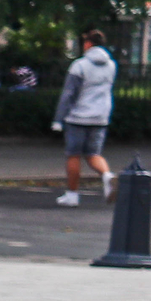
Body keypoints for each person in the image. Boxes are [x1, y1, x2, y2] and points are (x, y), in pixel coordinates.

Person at [51, 27, 116, 206]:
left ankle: (72, 195)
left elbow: (69, 94)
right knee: (94, 154)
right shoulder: (111, 65)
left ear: (88, 44)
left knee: (73, 155)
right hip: (101, 116)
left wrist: (58, 119)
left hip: (78, 117)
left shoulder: (80, 65)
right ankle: (107, 176)